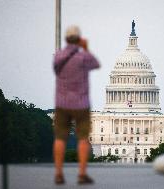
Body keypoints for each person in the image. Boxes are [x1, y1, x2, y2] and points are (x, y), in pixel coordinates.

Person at [53, 25, 100, 185]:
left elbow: (55, 69)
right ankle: (81, 174)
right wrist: (85, 48)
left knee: (60, 139)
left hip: (62, 103)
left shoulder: (58, 56)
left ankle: (59, 173)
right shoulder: (83, 58)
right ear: (79, 39)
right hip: (81, 103)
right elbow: (96, 64)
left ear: (66, 39)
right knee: (83, 139)